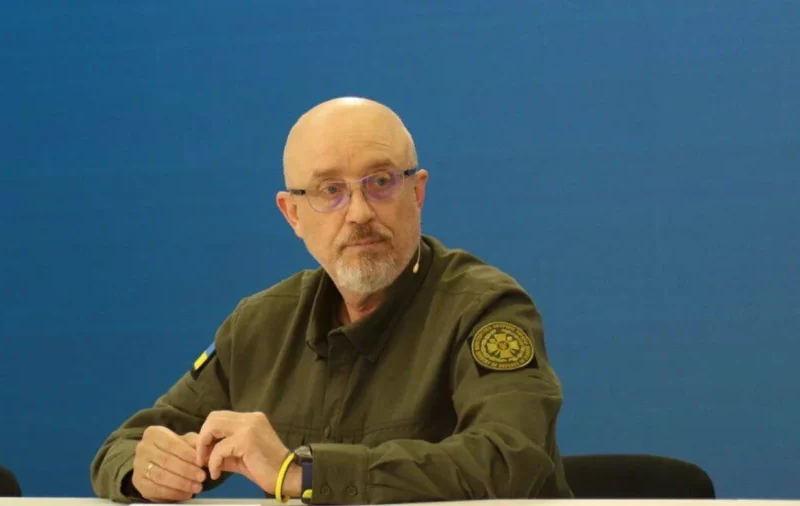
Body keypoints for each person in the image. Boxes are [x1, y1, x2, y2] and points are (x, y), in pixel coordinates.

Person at [90, 97, 573, 504]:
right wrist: (149, 469)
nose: (359, 213)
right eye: (330, 190)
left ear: (417, 192)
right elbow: (125, 445)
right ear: (293, 214)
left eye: (380, 182)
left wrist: (301, 473)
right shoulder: (260, 325)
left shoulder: (485, 308)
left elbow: (508, 459)